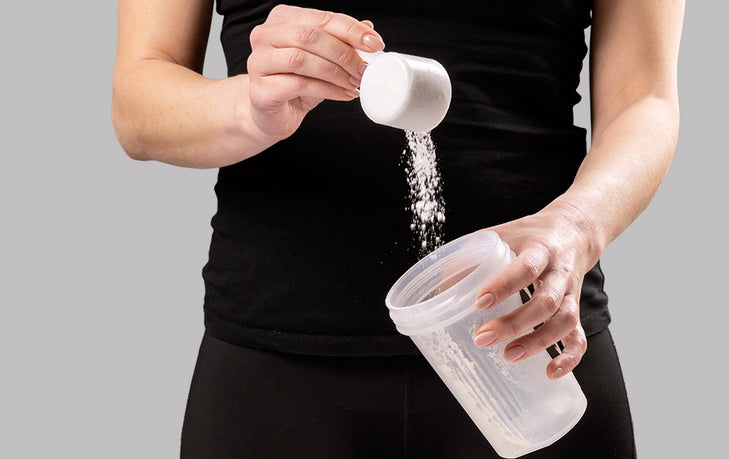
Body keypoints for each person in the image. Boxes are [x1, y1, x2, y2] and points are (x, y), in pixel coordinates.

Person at [112, 1, 684, 457]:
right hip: (273, 374)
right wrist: (249, 108)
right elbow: (137, 101)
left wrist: (576, 227)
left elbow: (646, 98)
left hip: (531, 351)